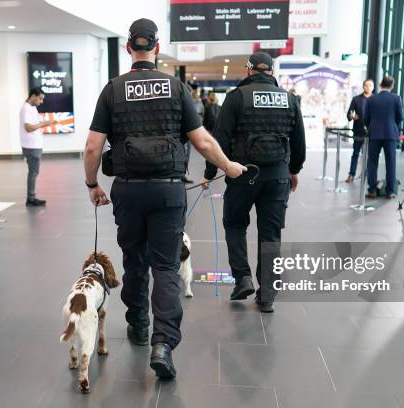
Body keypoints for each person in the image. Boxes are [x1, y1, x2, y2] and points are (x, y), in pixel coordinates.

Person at [83, 18, 246, 379]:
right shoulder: (176, 88)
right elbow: (202, 141)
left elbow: (94, 145)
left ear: (129, 49)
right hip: (169, 190)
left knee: (134, 259)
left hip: (127, 189)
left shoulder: (112, 90)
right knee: (166, 267)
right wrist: (229, 166)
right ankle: (163, 343)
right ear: (157, 48)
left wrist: (92, 183)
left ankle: (139, 324)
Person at [201, 52, 306, 313]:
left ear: (249, 71)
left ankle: (243, 278)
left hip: (243, 174)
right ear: (271, 72)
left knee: (235, 223)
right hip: (277, 176)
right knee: (270, 234)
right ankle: (267, 295)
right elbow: (299, 142)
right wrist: (293, 170)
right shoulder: (290, 99)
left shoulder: (237, 97)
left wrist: (210, 171)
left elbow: (219, 139)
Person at [364, 75, 403, 199]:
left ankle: (372, 190)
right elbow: (400, 117)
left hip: (374, 134)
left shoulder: (371, 99)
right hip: (390, 134)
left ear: (380, 85)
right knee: (390, 162)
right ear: (392, 86)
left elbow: (366, 118)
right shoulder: (396, 98)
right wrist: (392, 124)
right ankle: (390, 191)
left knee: (372, 162)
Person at [19, 87, 58, 206]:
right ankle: (31, 198)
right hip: (31, 146)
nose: (41, 102)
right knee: (33, 172)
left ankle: (31, 197)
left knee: (34, 172)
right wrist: (44, 123)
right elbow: (29, 128)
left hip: (33, 145)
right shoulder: (26, 109)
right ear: (33, 96)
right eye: (40, 99)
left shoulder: (31, 108)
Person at [345, 79, 374, 182]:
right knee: (355, 154)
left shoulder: (375, 99)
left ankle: (368, 176)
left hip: (372, 132)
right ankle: (351, 174)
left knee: (371, 155)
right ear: (363, 86)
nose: (368, 87)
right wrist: (351, 116)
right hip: (358, 131)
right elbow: (349, 114)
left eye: (370, 85)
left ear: (373, 87)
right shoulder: (356, 99)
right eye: (366, 85)